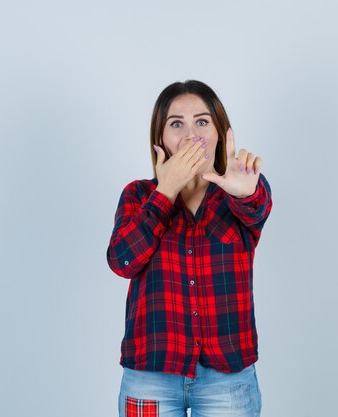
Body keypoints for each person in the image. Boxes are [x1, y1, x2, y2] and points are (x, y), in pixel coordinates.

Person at [106, 80, 273, 417]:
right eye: (176, 124)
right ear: (161, 138)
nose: (190, 134)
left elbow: (257, 207)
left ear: (219, 133)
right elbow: (122, 261)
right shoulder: (138, 196)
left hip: (227, 379)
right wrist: (165, 192)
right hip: (150, 375)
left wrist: (243, 192)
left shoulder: (241, 189)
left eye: (201, 121)